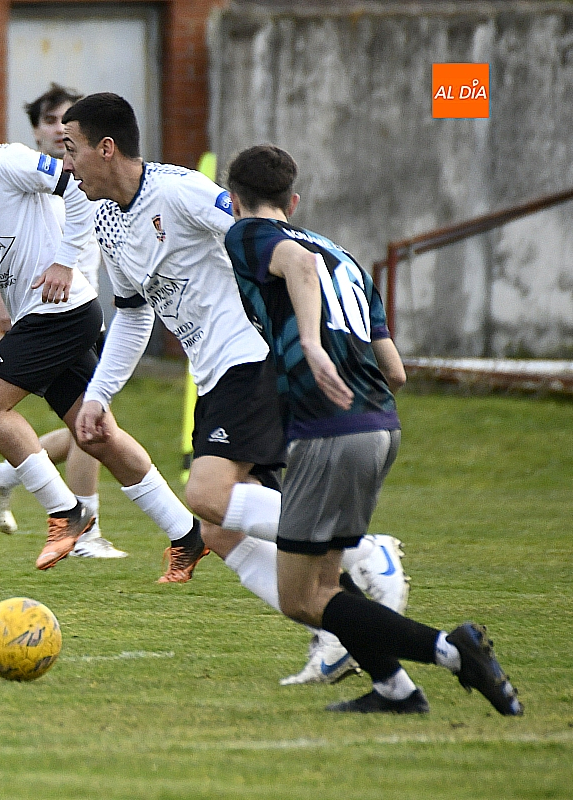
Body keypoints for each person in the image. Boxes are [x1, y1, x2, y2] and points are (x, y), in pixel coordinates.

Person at [61, 92, 410, 685]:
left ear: (107, 148)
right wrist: (99, 393)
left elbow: (282, 246)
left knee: (207, 497)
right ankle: (339, 633)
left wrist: (315, 341)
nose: (64, 163)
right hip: (217, 374)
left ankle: (362, 549)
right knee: (222, 533)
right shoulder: (103, 219)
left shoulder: (179, 193)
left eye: (70, 149)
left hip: (251, 361)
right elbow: (134, 313)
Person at [224, 143, 521, 714]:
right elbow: (396, 370)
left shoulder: (248, 235)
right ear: (295, 199)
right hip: (380, 424)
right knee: (327, 585)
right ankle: (396, 691)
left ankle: (454, 651)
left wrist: (310, 345)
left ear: (236, 201)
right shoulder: (347, 257)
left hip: (326, 428)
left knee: (299, 597)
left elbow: (296, 265)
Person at [0, 81, 198, 571]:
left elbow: (77, 192)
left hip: (62, 309)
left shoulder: (5, 161)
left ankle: (66, 512)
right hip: (39, 316)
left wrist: (65, 261)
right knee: (96, 432)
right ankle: (186, 534)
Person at [0, 82, 126, 559]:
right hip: (47, 315)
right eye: (50, 120)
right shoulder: (25, 182)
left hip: (81, 310)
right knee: (93, 422)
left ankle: (0, 477)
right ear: (36, 132)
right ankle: (86, 532)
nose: (61, 128)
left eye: (68, 120)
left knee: (89, 421)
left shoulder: (85, 182)